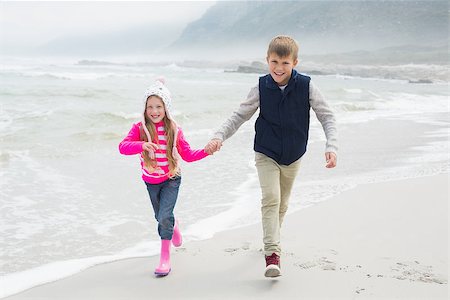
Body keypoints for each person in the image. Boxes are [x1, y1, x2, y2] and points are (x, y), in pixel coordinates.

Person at [205, 35, 338, 278]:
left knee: (282, 204)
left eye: (285, 63)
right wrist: (218, 136)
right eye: (274, 61)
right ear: (267, 60)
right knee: (271, 199)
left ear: (295, 63)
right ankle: (272, 254)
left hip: (294, 154)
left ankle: (271, 237)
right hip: (266, 152)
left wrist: (332, 146)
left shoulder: (307, 86)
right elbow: (239, 116)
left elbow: (327, 116)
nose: (279, 68)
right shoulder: (260, 87)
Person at [119, 78, 209, 276]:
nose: (154, 111)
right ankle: (174, 225)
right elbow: (122, 147)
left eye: (159, 106)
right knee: (160, 217)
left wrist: (207, 151)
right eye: (150, 106)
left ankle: (165, 258)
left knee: (164, 218)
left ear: (166, 108)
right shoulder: (139, 129)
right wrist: (141, 145)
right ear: (144, 108)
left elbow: (187, 155)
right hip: (150, 181)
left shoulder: (174, 130)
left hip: (171, 179)